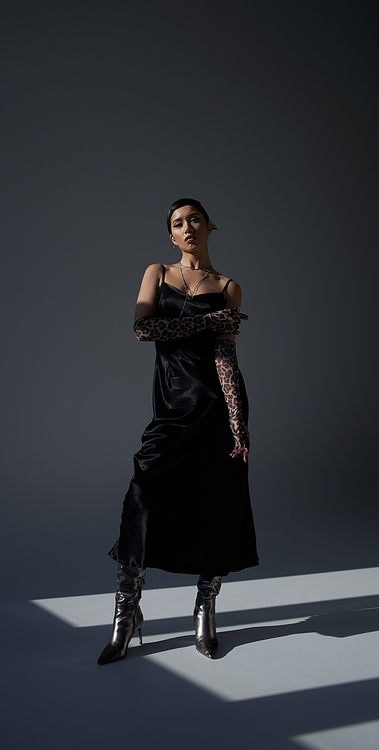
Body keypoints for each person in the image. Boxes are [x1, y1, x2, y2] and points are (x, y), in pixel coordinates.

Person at [98, 198, 258, 665]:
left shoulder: (229, 287)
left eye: (194, 220)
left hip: (214, 408)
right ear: (170, 235)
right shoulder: (158, 272)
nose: (186, 228)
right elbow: (143, 330)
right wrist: (209, 321)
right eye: (177, 223)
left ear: (210, 227)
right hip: (172, 409)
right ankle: (127, 612)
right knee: (143, 490)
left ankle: (205, 608)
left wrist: (236, 421)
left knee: (216, 503)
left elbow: (225, 359)